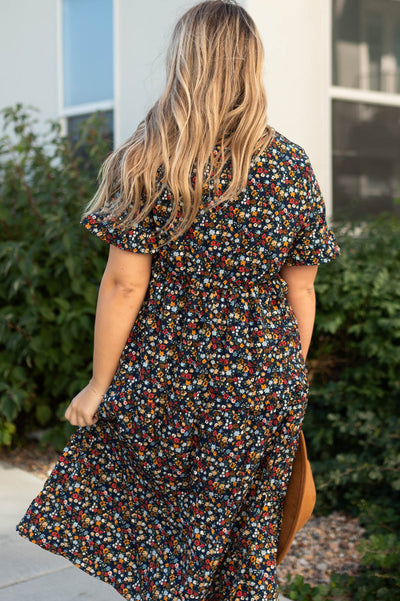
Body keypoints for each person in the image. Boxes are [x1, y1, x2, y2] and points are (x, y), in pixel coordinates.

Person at [16, 1, 340, 600]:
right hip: (262, 381)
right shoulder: (292, 166)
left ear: (185, 64)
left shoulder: (150, 159)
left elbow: (123, 285)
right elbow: (302, 288)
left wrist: (97, 386)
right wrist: (281, 378)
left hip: (168, 376)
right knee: (239, 558)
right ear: (251, 67)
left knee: (164, 550)